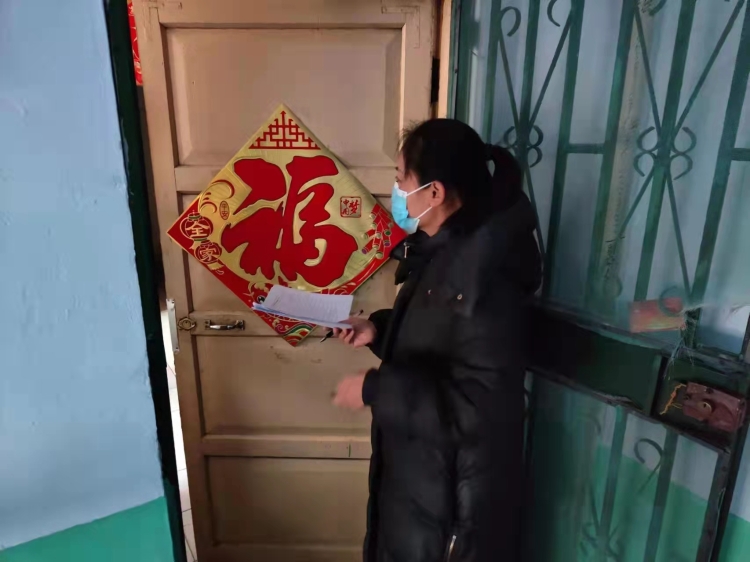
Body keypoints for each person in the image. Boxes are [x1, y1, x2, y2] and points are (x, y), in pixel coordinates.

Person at [332, 118, 541, 562]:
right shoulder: (445, 250)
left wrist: (376, 388)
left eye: (400, 179)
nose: (396, 192)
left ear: (435, 193)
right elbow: (445, 342)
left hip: (452, 508)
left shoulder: (486, 279)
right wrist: (379, 330)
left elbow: (479, 408)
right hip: (424, 482)